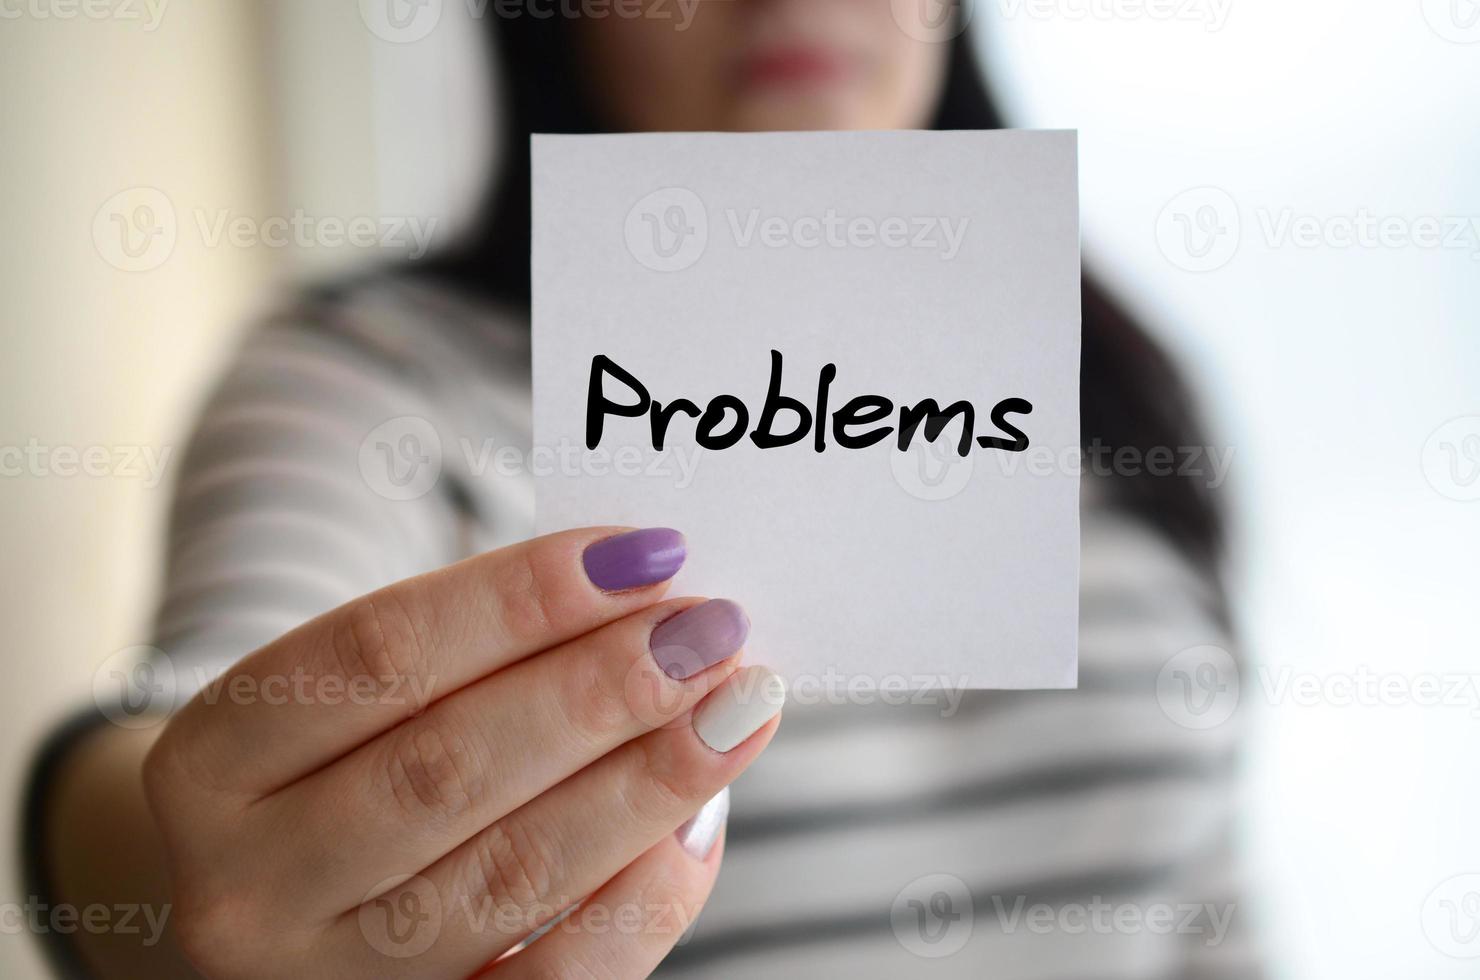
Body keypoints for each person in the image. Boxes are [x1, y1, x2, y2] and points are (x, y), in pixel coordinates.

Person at [26, 3, 1257, 977]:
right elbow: (188, 739)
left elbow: (1214, 918)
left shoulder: (1099, 375)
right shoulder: (378, 386)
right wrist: (149, 858)